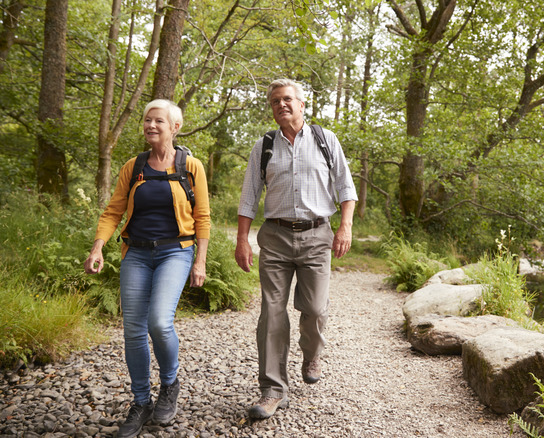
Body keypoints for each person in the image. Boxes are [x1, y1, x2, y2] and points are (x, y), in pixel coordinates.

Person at [83, 99, 211, 438]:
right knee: (133, 331)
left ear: (175, 127)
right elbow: (113, 211)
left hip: (175, 252)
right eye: (147, 120)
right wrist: (98, 247)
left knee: (159, 321)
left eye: (158, 121)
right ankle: (140, 402)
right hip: (135, 254)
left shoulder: (191, 166)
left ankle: (170, 384)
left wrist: (200, 261)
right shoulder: (134, 166)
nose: (150, 126)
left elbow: (203, 218)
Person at [235, 79, 357, 420]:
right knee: (272, 312)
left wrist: (344, 226)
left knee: (315, 309)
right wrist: (242, 239)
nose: (281, 105)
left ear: (302, 105)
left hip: (318, 236)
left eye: (288, 99)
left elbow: (345, 187)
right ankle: (273, 389)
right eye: (275, 101)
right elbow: (249, 197)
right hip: (274, 237)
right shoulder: (265, 145)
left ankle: (312, 353)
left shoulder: (325, 139)